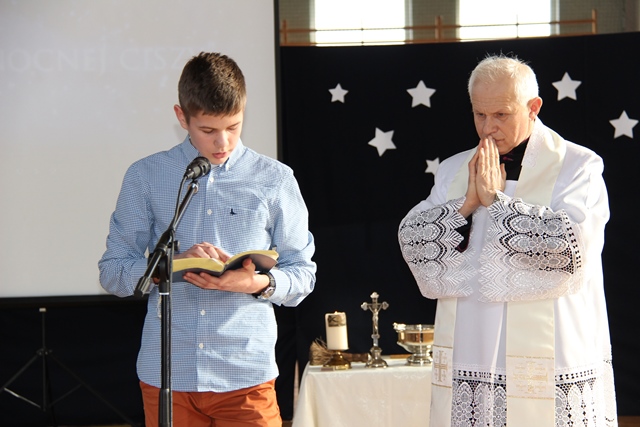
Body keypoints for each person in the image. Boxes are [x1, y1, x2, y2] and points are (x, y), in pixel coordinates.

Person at [99, 52, 316, 426]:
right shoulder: (146, 176)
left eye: (233, 126)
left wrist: (256, 283)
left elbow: (303, 274)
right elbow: (113, 272)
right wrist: (168, 267)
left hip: (246, 375)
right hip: (169, 375)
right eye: (208, 130)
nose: (223, 142)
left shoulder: (275, 179)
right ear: (182, 117)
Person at [398, 54, 617, 426]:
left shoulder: (578, 166)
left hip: (552, 346)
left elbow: (573, 249)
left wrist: (497, 203)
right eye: (480, 115)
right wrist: (467, 203)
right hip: (472, 341)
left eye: (501, 115)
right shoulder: (454, 170)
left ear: (533, 107)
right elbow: (414, 241)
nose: (488, 129)